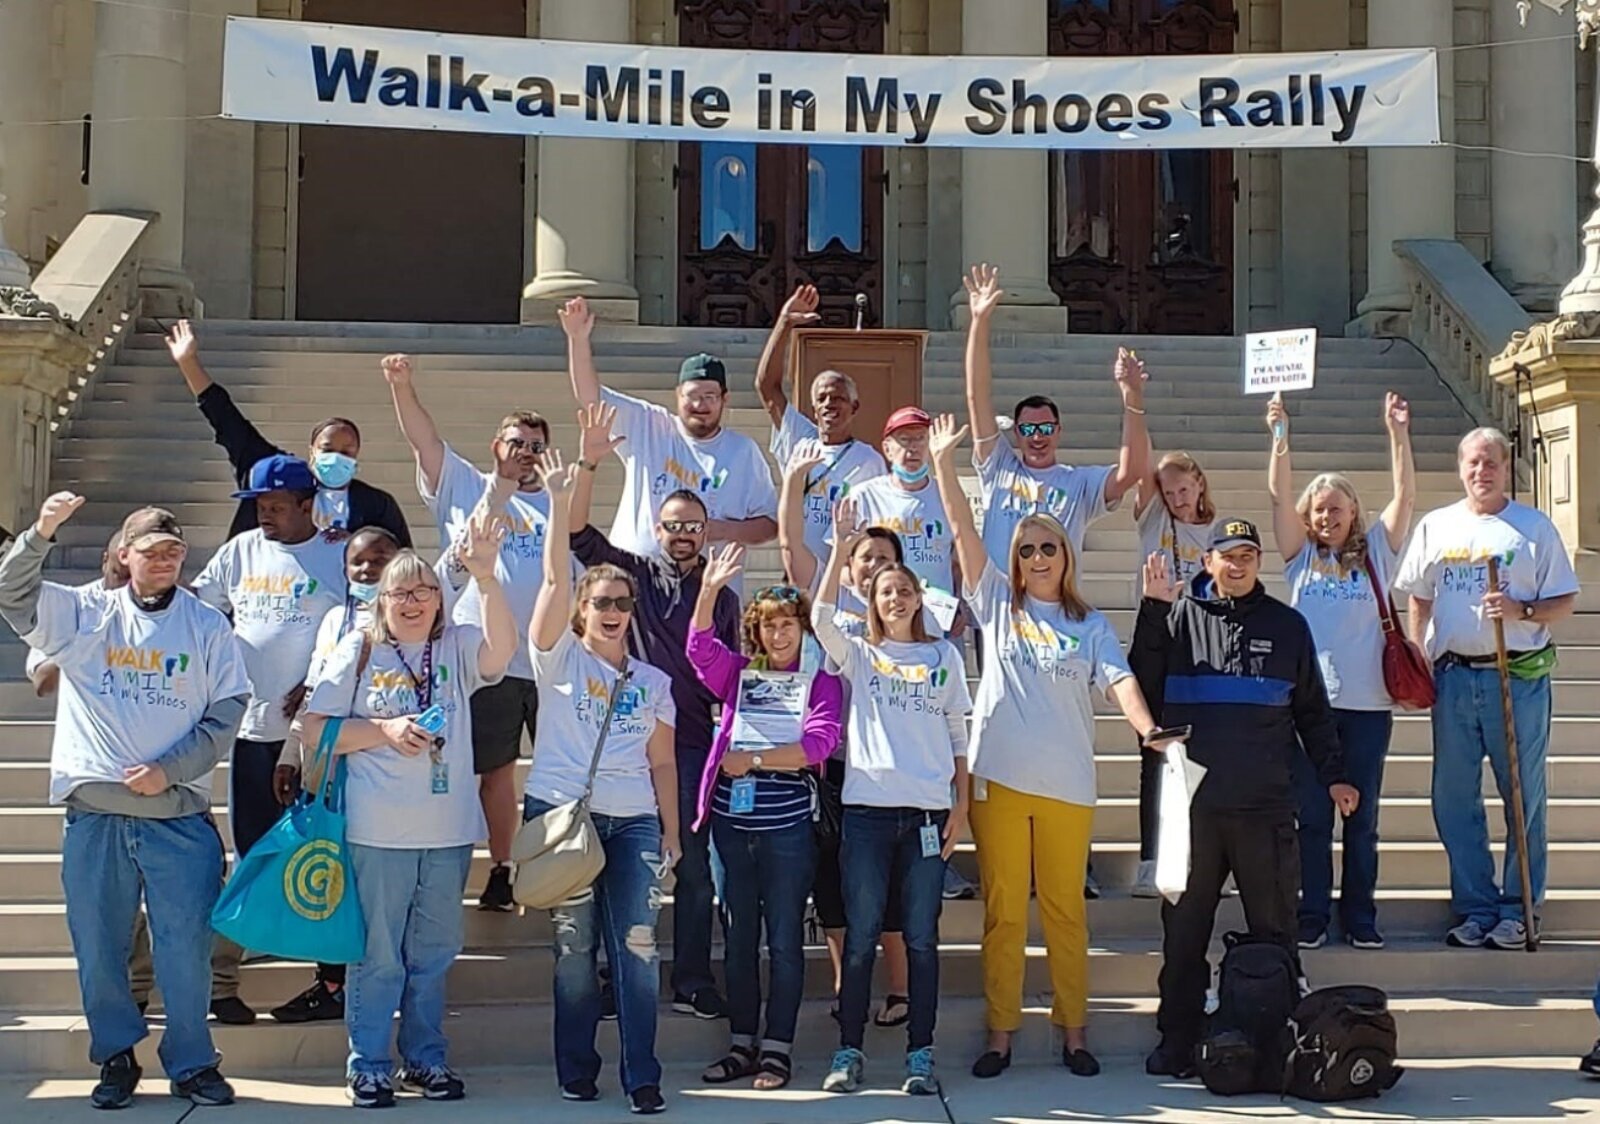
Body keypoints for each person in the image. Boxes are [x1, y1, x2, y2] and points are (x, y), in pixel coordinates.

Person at [928, 415, 1165, 1081]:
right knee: (1005, 915)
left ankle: (1074, 1032)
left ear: (1067, 557)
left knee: (1064, 914)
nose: (1036, 558)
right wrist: (947, 464)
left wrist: (1146, 729)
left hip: (1067, 786)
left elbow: (1120, 680)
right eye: (1027, 550)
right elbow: (964, 528)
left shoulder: (1089, 624)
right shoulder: (998, 605)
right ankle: (1001, 1033)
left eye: (1048, 549)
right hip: (998, 783)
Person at [0, 498, 251, 1110]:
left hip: (177, 816)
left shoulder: (207, 625)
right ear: (122, 555)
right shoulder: (85, 612)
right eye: (150, 550)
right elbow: (11, 593)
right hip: (97, 816)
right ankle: (115, 1056)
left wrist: (170, 769)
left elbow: (227, 711)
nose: (164, 560)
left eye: (173, 551)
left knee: (186, 947)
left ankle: (192, 1062)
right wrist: (41, 533)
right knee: (100, 944)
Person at [301, 516, 516, 1109]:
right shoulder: (360, 648)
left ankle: (424, 1059)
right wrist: (383, 730)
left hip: (446, 832)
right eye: (401, 591)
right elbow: (313, 728)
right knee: (378, 957)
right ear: (382, 600)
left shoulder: (456, 645)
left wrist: (488, 579)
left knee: (433, 954)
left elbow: (503, 652)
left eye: (425, 589)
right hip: (378, 832)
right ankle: (368, 1064)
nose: (415, 600)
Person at [1137, 519, 1355, 1079]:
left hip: (1265, 809)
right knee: (1183, 937)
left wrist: (1335, 774)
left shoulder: (1288, 627)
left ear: (1259, 563)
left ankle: (1274, 1041)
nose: (1237, 565)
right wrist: (1153, 612)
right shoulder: (1178, 616)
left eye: (1248, 556)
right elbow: (1143, 685)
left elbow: (1312, 711)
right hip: (1193, 813)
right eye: (1227, 555)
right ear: (1207, 561)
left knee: (1275, 934)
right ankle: (1177, 1040)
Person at [568, 404, 741, 1022]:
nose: (684, 534)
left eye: (694, 525)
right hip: (623, 743)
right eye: (674, 525)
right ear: (658, 527)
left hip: (691, 747)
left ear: (706, 529)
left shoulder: (722, 593)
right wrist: (589, 460)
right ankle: (615, 977)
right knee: (618, 871)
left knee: (693, 870)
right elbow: (578, 533)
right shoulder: (631, 577)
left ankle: (693, 977)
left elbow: (729, 672)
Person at [523, 452, 681, 1116]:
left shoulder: (654, 683)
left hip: (635, 821)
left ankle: (642, 1076)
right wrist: (561, 505)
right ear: (584, 611)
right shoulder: (556, 658)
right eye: (603, 603)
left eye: (623, 603)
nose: (613, 611)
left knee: (637, 952)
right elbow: (555, 577)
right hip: (564, 818)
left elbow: (664, 763)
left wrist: (672, 832)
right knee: (574, 953)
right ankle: (576, 1068)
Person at [383, 351, 564, 912]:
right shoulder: (463, 483)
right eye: (516, 442)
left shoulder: (557, 500)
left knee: (559, 776)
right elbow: (423, 440)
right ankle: (504, 869)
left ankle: (561, 871)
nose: (525, 454)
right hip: (485, 658)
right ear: (496, 445)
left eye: (535, 445)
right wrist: (402, 385)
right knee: (496, 774)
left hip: (550, 658)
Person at [1395, 427, 1580, 951]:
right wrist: (1418, 652)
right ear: (1460, 469)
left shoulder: (1532, 528)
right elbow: (1420, 598)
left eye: (1492, 463)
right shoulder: (1437, 526)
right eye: (1473, 463)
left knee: (1522, 795)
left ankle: (1519, 908)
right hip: (1452, 675)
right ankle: (1474, 906)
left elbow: (1563, 600)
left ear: (1505, 467)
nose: (1482, 472)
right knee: (1453, 799)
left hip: (1515, 675)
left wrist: (1521, 610)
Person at [812, 497, 973, 1097]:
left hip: (928, 815)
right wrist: (835, 548)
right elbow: (822, 617)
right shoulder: (859, 654)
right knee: (859, 936)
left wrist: (961, 805)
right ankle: (849, 1051)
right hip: (868, 817)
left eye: (904, 589)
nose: (895, 598)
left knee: (923, 938)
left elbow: (959, 730)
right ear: (872, 601)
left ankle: (920, 1055)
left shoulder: (943, 656)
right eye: (884, 591)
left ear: (918, 597)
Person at [191, 453, 347, 1025]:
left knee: (324, 856)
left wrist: (318, 679)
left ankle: (331, 980)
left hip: (318, 738)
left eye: (276, 506)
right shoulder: (239, 552)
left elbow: (362, 627)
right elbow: (201, 610)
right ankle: (222, 982)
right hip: (251, 732)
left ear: (309, 505)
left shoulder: (337, 554)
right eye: (259, 505)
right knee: (251, 854)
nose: (265, 516)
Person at [688, 547, 844, 1092]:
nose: (780, 635)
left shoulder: (818, 680)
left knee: (782, 940)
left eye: (789, 625)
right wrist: (709, 589)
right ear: (756, 632)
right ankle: (740, 1045)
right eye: (769, 626)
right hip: (731, 825)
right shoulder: (740, 675)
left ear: (803, 629)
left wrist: (751, 759)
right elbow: (699, 649)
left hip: (788, 831)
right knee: (736, 940)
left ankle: (777, 1049)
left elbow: (818, 745)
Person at [1268, 391, 1416, 951]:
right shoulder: (1300, 556)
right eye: (1319, 509)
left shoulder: (1378, 551)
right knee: (1310, 816)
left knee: (1363, 819)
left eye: (1337, 507)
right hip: (1310, 709)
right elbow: (1278, 495)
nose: (1327, 516)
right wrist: (1279, 433)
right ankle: (1312, 914)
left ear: (1354, 511)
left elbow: (1405, 495)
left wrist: (1397, 433)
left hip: (1367, 707)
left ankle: (1360, 915)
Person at [777, 442, 915, 1027]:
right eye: (866, 558)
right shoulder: (831, 614)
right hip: (831, 767)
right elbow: (806, 581)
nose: (874, 565)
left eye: (884, 557)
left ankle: (902, 988)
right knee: (833, 886)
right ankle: (843, 984)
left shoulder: (911, 613)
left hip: (889, 770)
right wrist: (835, 546)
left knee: (889, 895)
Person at [268, 525, 401, 1024]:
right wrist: (291, 753)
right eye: (358, 562)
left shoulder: (416, 619)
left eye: (380, 558)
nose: (368, 569)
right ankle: (331, 981)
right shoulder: (331, 621)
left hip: (387, 774)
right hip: (327, 772)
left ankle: (385, 983)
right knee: (329, 880)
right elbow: (316, 693)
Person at [561, 295, 778, 585]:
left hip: (708, 588)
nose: (700, 405)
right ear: (678, 396)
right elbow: (591, 397)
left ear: (725, 399)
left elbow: (769, 526)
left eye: (710, 397)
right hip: (636, 581)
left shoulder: (743, 451)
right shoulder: (649, 425)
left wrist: (718, 530)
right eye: (692, 396)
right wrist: (578, 340)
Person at [962, 264, 1148, 567]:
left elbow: (1133, 471)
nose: (1037, 436)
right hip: (1001, 607)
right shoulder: (998, 467)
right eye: (1028, 429)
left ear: (1059, 431)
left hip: (1057, 609)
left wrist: (1133, 398)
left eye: (1046, 428)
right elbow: (976, 395)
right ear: (1016, 433)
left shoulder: (1079, 482)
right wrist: (979, 321)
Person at [163, 320, 411, 545]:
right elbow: (226, 419)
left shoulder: (377, 505)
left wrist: (355, 542)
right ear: (311, 451)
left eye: (347, 452)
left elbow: (398, 555)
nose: (337, 457)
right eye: (328, 449)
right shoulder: (275, 475)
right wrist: (188, 363)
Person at [1127, 450, 1218, 898]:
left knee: (1207, 754)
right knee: (1155, 753)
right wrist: (1134, 396)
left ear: (1200, 483)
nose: (1179, 499)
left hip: (1202, 644)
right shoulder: (1155, 523)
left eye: (1185, 488)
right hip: (1154, 637)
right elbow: (1141, 466)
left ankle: (1205, 860)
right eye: (1170, 492)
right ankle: (1151, 860)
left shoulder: (1219, 533)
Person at [757, 282, 887, 564]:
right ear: (814, 408)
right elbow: (767, 387)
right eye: (823, 398)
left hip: (842, 575)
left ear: (855, 408)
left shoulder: (869, 460)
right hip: (798, 570)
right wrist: (784, 324)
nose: (830, 404)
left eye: (839, 398)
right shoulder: (800, 439)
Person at [849, 407, 961, 638]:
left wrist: (962, 607)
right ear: (887, 449)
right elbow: (842, 564)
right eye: (904, 439)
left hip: (935, 624)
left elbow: (959, 561)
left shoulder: (948, 494)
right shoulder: (864, 496)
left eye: (920, 438)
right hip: (881, 621)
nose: (913, 448)